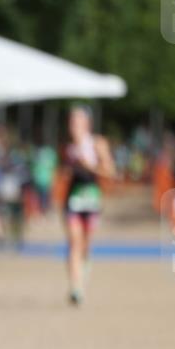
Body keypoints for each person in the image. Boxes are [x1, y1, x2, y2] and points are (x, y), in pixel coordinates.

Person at [62, 105, 115, 306]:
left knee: (85, 244)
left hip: (91, 198)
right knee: (74, 242)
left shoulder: (97, 143)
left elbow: (110, 171)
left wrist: (89, 166)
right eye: (71, 121)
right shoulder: (68, 147)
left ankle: (82, 277)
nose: (73, 125)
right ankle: (75, 287)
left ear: (87, 123)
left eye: (77, 121)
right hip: (73, 198)